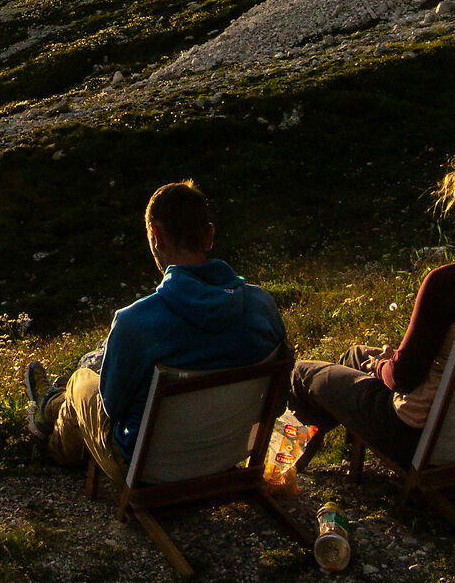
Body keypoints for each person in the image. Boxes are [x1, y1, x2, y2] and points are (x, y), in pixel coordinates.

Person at [285, 148, 455, 468]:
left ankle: (291, 469)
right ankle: (335, 459)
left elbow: (403, 378)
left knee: (302, 373)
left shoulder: (448, 284)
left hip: (419, 440)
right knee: (353, 355)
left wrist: (382, 366)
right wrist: (386, 364)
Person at [22, 180, 286, 470]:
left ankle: (53, 432)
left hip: (150, 469)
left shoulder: (134, 322)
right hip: (230, 454)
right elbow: (280, 403)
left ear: (156, 237)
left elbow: (111, 410)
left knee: (82, 383)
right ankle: (51, 405)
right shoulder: (263, 305)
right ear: (209, 236)